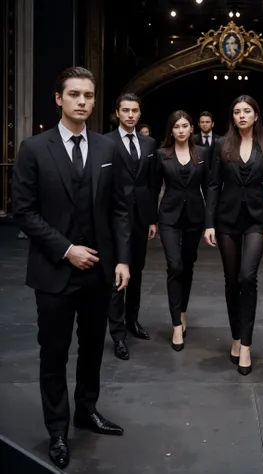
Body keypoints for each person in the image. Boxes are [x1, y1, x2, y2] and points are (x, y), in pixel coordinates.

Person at [11, 67, 131, 469]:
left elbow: (118, 210)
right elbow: (23, 212)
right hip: (54, 271)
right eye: (75, 94)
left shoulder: (107, 149)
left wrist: (123, 260)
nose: (83, 101)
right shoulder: (33, 148)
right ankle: (58, 430)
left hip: (98, 271)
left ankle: (87, 410)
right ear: (58, 98)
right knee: (54, 354)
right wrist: (66, 250)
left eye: (89, 95)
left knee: (94, 349)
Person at [204, 95, 263, 376]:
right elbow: (213, 185)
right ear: (232, 117)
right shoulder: (222, 144)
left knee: (248, 277)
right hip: (226, 220)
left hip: (257, 219)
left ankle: (246, 344)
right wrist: (209, 223)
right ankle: (235, 335)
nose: (242, 115)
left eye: (247, 111)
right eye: (236, 112)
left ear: (256, 115)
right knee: (232, 281)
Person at [105, 94, 158, 360]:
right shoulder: (106, 142)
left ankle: (132, 321)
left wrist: (151, 219)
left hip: (140, 217)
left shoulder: (149, 143)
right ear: (117, 113)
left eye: (134, 111)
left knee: (136, 270)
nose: (130, 115)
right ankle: (117, 334)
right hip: (115, 217)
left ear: (139, 113)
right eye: (125, 110)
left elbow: (151, 183)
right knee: (119, 273)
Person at [157, 111, 209, 351]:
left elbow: (210, 189)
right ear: (171, 130)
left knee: (187, 265)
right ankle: (176, 324)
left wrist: (211, 222)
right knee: (175, 265)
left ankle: (183, 309)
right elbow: (153, 187)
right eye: (176, 126)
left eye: (184, 126)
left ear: (191, 129)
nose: (180, 130)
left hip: (195, 217)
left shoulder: (203, 154)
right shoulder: (161, 155)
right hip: (168, 216)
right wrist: (151, 220)